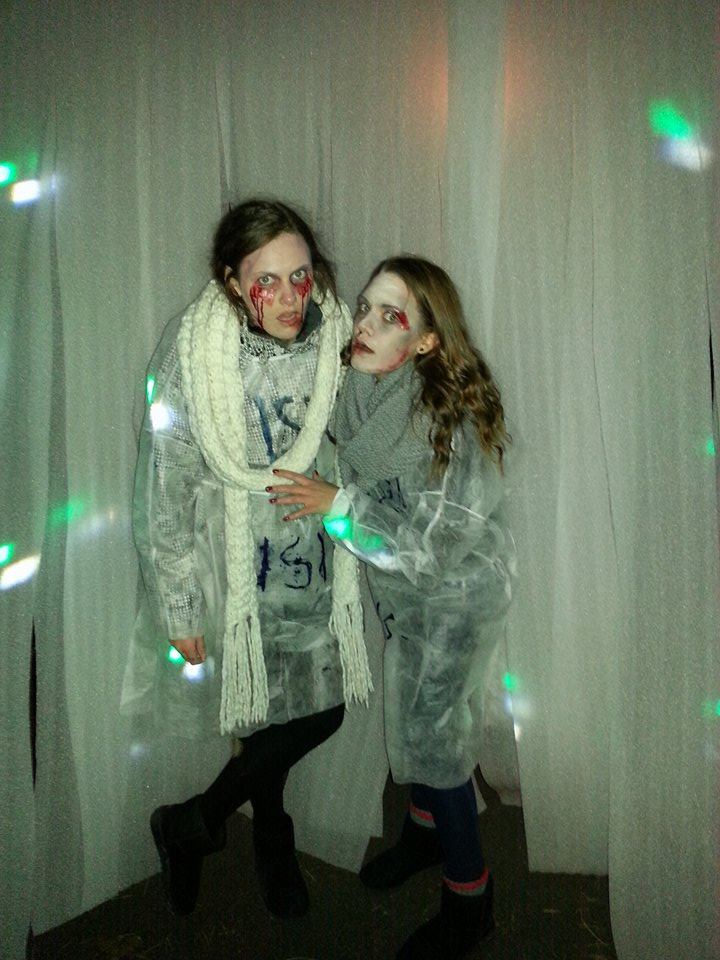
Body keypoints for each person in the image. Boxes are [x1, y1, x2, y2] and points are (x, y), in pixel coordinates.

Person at [130, 199, 371, 920]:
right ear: (232, 281)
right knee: (260, 714)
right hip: (229, 562)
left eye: (301, 275)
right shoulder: (192, 350)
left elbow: (361, 426)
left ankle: (193, 821)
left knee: (320, 712)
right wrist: (179, 604)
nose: (290, 297)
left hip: (311, 558)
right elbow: (164, 481)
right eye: (267, 280)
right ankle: (271, 834)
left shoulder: (335, 337)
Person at [269, 255, 515, 959]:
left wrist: (337, 506)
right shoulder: (366, 391)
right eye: (365, 308)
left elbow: (430, 551)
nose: (366, 325)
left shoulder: (450, 423)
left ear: (427, 340)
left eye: (391, 316)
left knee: (435, 742)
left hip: (456, 597)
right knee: (412, 717)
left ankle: (472, 898)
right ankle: (424, 836)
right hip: (406, 597)